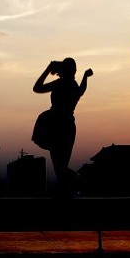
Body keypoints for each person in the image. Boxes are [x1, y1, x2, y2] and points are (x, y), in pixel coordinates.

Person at [32, 58, 93, 198]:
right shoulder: (69, 85)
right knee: (60, 165)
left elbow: (37, 88)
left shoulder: (63, 84)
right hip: (60, 125)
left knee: (60, 166)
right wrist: (85, 76)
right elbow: (81, 90)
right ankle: (72, 186)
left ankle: (78, 181)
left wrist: (48, 69)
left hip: (58, 125)